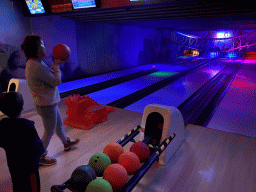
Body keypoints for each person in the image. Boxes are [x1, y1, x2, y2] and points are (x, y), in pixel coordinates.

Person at [21, 35, 80, 166]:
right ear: (36, 49)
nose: (45, 46)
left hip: (47, 103)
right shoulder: (37, 66)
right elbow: (56, 81)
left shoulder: (34, 62)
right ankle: (40, 155)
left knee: (59, 125)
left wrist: (53, 66)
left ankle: (66, 142)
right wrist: (56, 66)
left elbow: (47, 78)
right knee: (49, 131)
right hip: (46, 104)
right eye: (42, 44)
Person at [0, 91, 45, 192]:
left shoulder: (3, 126)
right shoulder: (28, 126)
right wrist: (42, 152)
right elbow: (37, 146)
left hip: (14, 165)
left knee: (17, 185)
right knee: (33, 188)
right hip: (30, 168)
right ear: (22, 108)